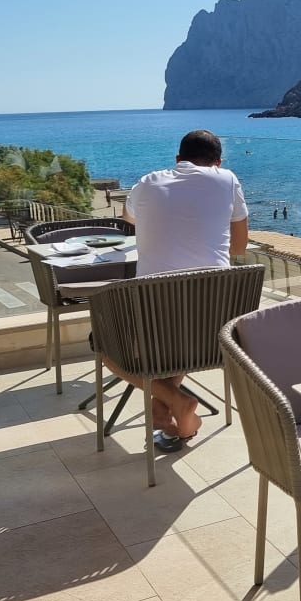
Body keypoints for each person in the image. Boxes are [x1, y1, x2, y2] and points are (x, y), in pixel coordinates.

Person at [120, 129, 249, 453]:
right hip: (215, 328)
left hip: (159, 318)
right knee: (180, 337)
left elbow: (129, 218)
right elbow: (238, 247)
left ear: (178, 159)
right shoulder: (228, 179)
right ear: (218, 163)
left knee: (105, 347)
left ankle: (171, 400)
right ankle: (171, 411)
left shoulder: (147, 182)